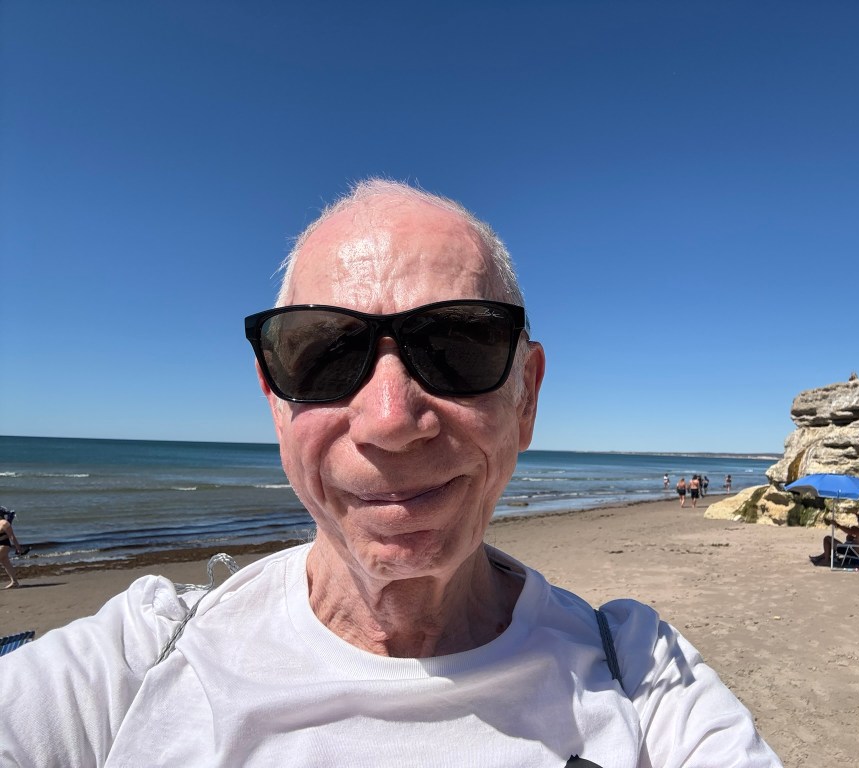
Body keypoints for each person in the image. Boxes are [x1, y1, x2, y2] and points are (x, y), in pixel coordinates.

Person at [0, 180, 780, 766]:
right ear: (276, 403)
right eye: (324, 353)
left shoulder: (640, 677)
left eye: (458, 345)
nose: (389, 419)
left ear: (527, 397)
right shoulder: (143, 658)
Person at [0, 507, 28, 589]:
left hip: (4, 546)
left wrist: (18, 548)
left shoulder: (4, 523)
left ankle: (15, 582)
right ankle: (15, 582)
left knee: (5, 563)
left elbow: (12, 537)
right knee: (6, 563)